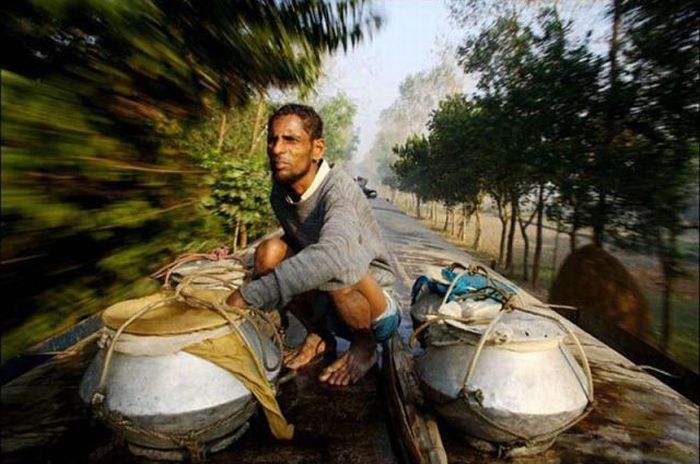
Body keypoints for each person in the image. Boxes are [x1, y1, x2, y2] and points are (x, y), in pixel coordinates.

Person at [226, 104, 399, 386]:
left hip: (375, 302)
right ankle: (319, 335)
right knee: (269, 252)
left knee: (337, 264)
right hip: (329, 295)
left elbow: (334, 254)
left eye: (290, 140)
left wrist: (249, 295)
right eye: (273, 139)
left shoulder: (338, 190)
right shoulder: (280, 194)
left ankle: (365, 346)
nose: (277, 149)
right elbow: (295, 246)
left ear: (317, 149)